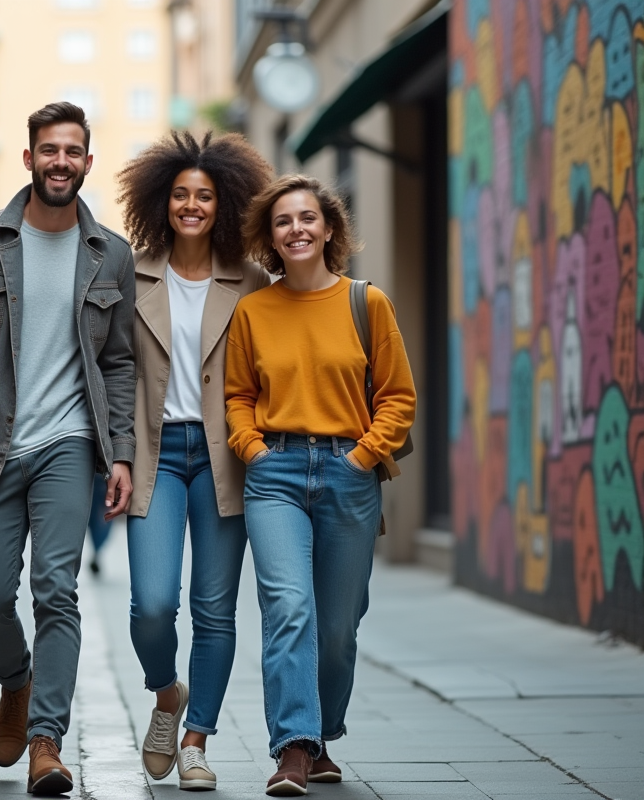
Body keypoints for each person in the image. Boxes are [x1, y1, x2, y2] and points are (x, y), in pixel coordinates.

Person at [0, 102, 136, 796]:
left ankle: (47, 741)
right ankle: (16, 681)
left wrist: (121, 452)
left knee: (56, 589)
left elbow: (119, 363)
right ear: (28, 158)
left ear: (87, 161)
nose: (60, 162)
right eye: (49, 150)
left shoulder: (112, 254)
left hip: (68, 444)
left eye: (72, 151)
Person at [225, 174, 416, 796]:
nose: (296, 229)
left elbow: (398, 396)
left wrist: (364, 457)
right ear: (271, 236)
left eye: (307, 218)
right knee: (288, 609)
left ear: (329, 228)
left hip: (348, 473)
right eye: (283, 221)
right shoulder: (253, 311)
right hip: (274, 475)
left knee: (337, 627)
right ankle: (294, 747)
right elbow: (237, 395)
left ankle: (322, 734)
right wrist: (252, 448)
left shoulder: (367, 302)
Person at [115, 130, 274, 791]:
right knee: (152, 604)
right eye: (180, 194)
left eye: (204, 195)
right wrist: (115, 455)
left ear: (224, 204)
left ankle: (197, 740)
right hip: (154, 455)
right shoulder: (130, 274)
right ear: (161, 200)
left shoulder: (252, 281)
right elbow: (114, 370)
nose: (191, 205)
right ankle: (165, 694)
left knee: (214, 609)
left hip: (224, 457)